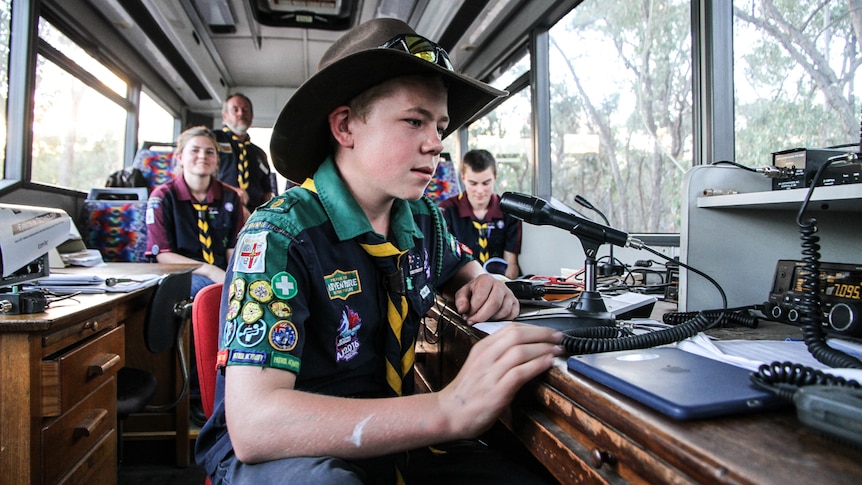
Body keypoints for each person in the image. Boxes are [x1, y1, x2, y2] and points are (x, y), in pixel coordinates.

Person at [194, 18, 564, 484]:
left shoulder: (422, 219)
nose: (435, 144)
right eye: (414, 121)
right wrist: (447, 409)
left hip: (390, 434)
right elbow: (255, 425)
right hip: (286, 452)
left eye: (441, 126)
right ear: (346, 126)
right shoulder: (278, 236)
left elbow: (462, 265)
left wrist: (483, 282)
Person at [145, 126, 248, 296]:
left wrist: (235, 278)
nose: (202, 156)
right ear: (179, 157)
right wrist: (209, 270)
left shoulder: (230, 197)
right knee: (207, 291)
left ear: (216, 158)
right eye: (195, 150)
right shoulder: (163, 197)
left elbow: (232, 249)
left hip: (222, 272)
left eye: (209, 152)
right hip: (181, 273)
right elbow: (163, 255)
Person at [439, 149, 522, 279]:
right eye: (473, 183)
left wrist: (503, 285)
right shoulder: (447, 211)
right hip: (461, 281)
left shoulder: (508, 212)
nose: (480, 190)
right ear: (463, 178)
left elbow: (511, 263)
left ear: (495, 177)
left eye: (486, 183)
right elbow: (445, 263)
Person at [213, 93, 277, 212]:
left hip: (252, 214)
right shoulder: (212, 140)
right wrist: (230, 190)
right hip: (219, 210)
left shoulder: (259, 153)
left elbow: (266, 187)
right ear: (225, 116)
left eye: (245, 110)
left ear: (252, 116)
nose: (241, 113)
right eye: (235, 110)